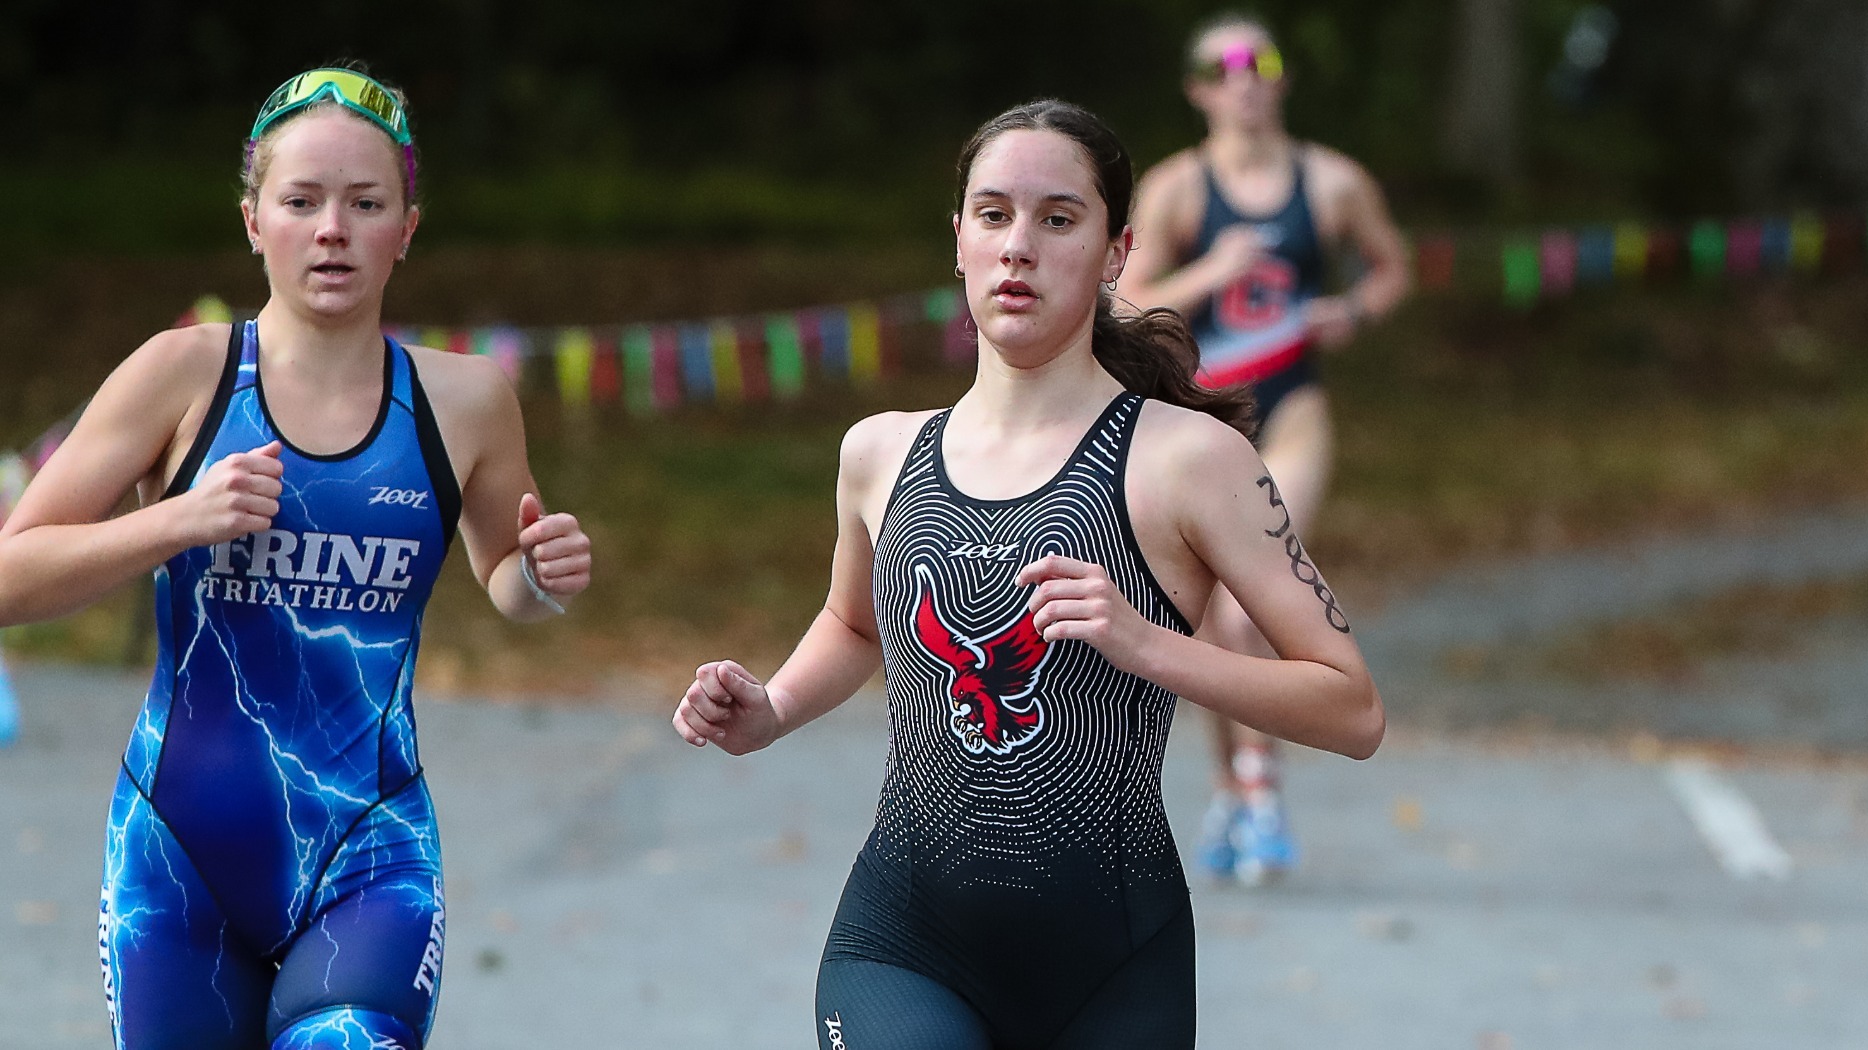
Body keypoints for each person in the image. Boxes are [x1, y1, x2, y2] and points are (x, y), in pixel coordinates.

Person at [672, 98, 1382, 1050]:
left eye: (1058, 219)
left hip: (1114, 967)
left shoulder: (1189, 461)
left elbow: (1352, 709)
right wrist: (771, 710)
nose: (1019, 247)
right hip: (903, 946)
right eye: (994, 214)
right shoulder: (880, 453)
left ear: (1118, 251)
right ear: (958, 239)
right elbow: (854, 627)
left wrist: (1145, 643)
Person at [0, 67, 592, 1050]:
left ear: (405, 229)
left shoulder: (466, 401)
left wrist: (538, 576)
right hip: (175, 856)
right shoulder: (180, 374)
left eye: (366, 204)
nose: (332, 229)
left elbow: (504, 581)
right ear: (252, 221)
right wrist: (175, 522)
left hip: (370, 853)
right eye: (302, 200)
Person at [1122, 12, 1411, 886]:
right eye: (1226, 63)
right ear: (1199, 88)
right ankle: (1233, 786)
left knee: (1249, 609)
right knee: (1210, 622)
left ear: (1282, 79)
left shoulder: (1330, 182)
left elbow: (1392, 266)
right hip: (1205, 428)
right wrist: (1214, 272)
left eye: (1263, 59)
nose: (1246, 76)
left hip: (1292, 415)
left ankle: (1259, 790)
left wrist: (1352, 310)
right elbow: (1126, 306)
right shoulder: (1178, 189)